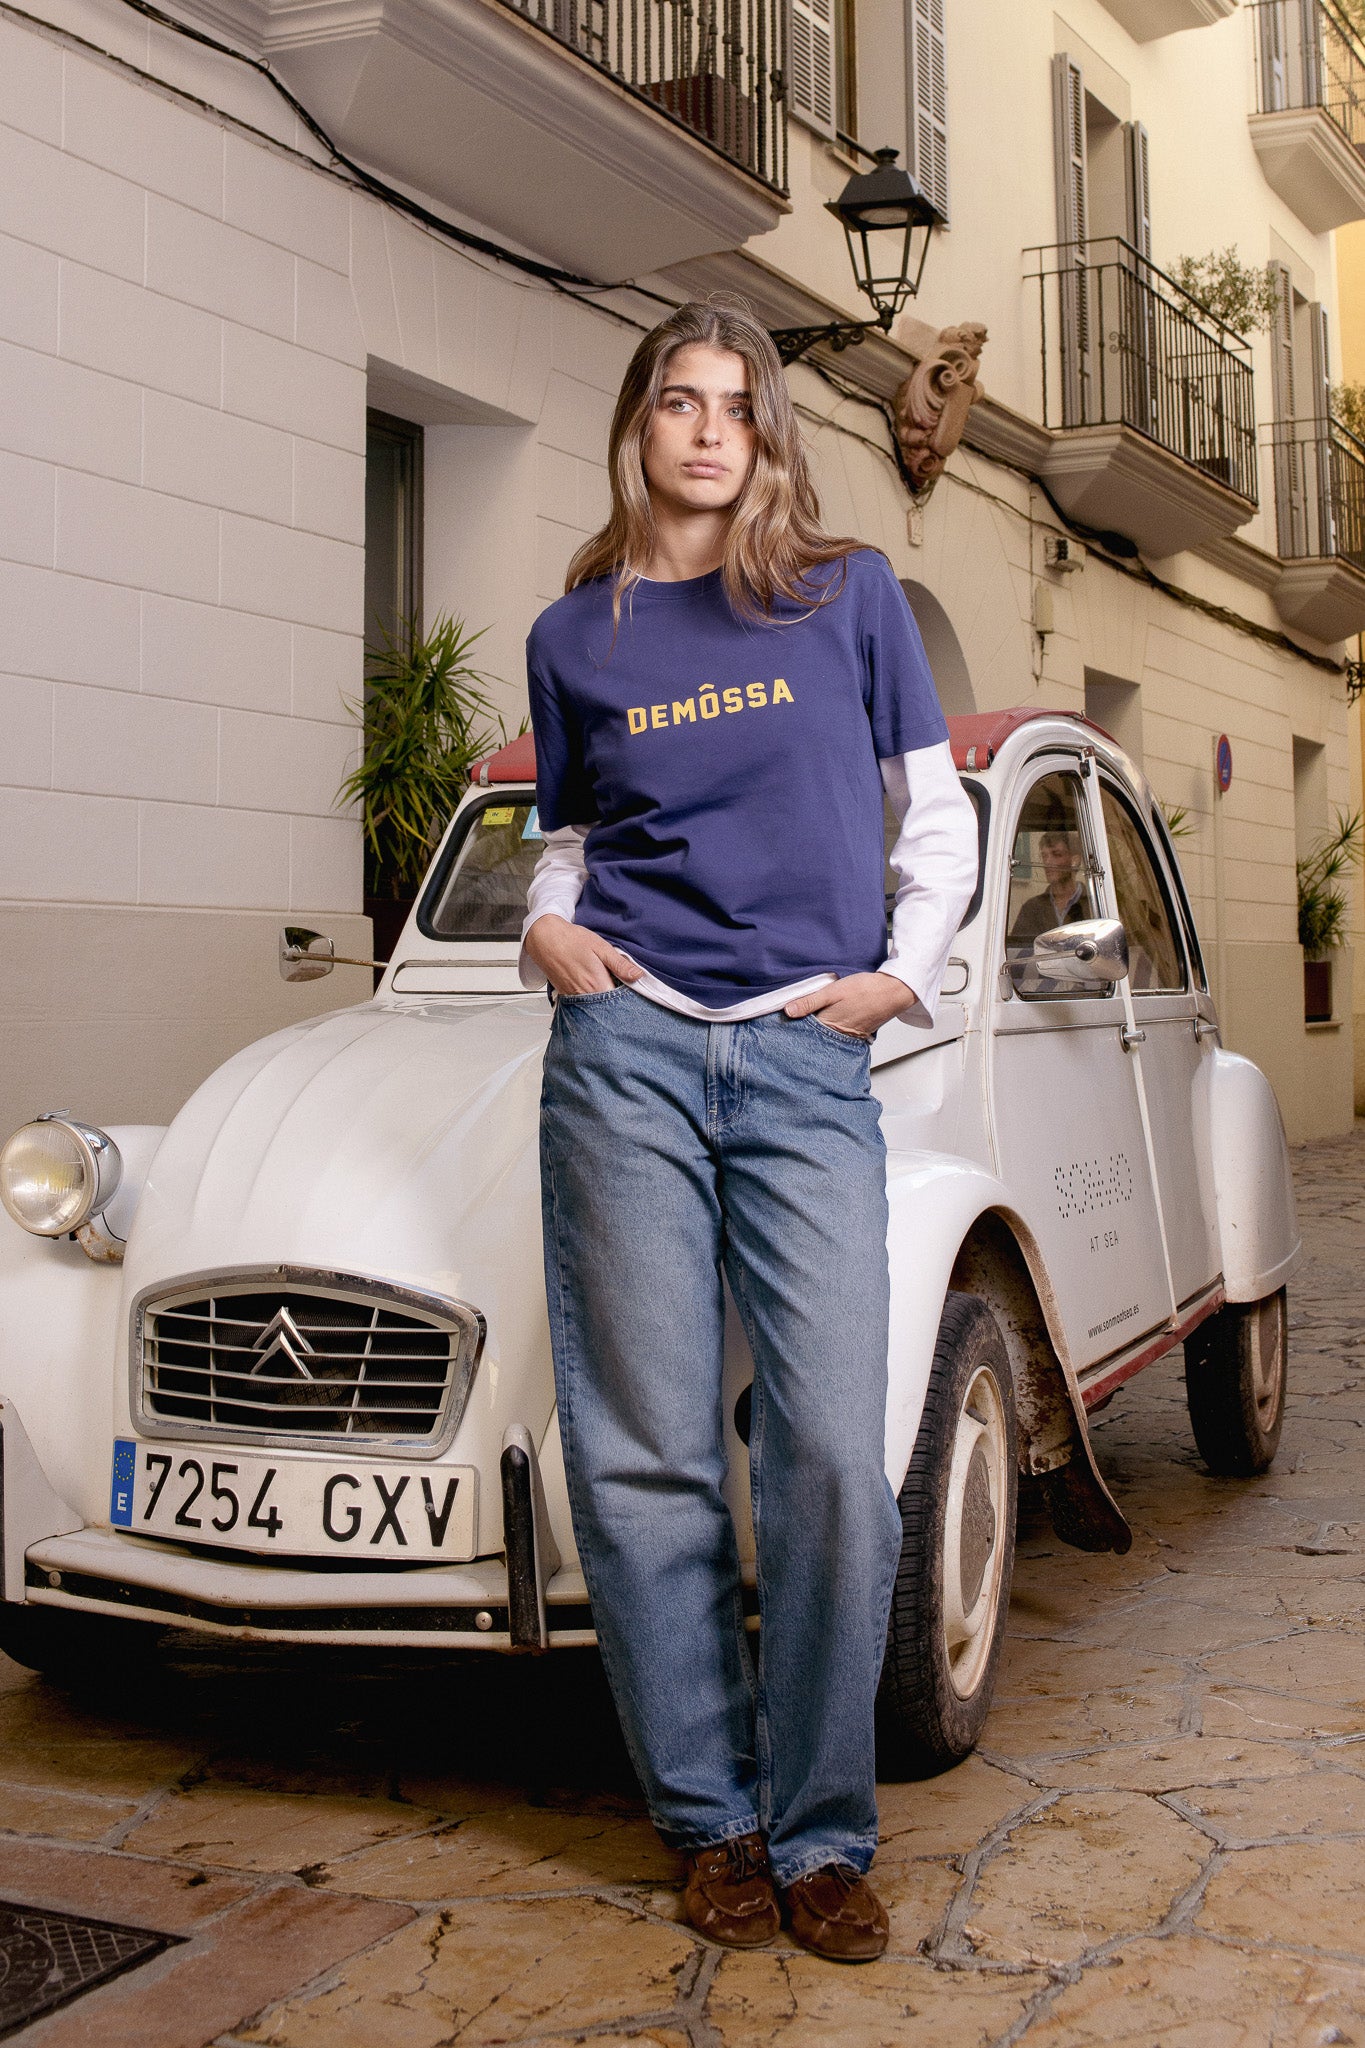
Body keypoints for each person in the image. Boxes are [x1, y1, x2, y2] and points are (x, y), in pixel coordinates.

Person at [519, 299, 978, 1963]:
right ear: (638, 425)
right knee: (642, 1458)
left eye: (736, 406)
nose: (707, 431)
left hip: (800, 1059)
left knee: (829, 1460)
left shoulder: (845, 594)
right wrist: (545, 932)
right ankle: (712, 1825)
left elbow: (934, 818)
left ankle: (822, 1831)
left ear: (767, 433)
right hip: (628, 1053)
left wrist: (891, 982)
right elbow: (571, 841)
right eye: (677, 402)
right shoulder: (578, 634)